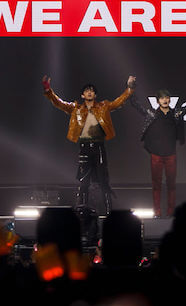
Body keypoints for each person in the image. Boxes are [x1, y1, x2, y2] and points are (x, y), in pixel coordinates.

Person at [42, 75, 135, 214]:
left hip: (99, 147)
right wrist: (48, 90)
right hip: (84, 148)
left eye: (92, 90)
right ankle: (82, 211)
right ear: (82, 95)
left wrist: (130, 88)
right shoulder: (76, 108)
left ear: (95, 94)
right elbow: (59, 103)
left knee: (103, 180)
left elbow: (118, 102)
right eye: (87, 90)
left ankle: (109, 212)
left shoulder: (103, 106)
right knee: (84, 181)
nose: (89, 92)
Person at [130, 86, 186, 218]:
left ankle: (171, 213)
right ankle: (157, 213)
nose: (165, 100)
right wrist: (131, 87)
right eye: (162, 98)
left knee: (171, 185)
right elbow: (136, 104)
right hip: (156, 155)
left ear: (170, 100)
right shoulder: (152, 114)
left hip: (171, 155)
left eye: (167, 97)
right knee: (156, 185)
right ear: (157, 101)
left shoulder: (175, 114)